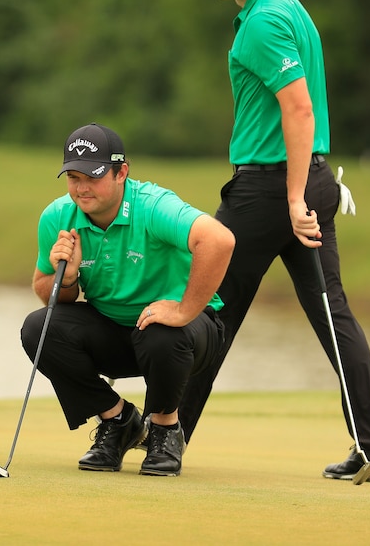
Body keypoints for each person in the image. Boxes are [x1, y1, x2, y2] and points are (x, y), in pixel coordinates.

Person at [181, 0, 370, 481]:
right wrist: (306, 192)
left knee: (207, 306)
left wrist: (294, 196)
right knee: (333, 312)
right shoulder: (291, 9)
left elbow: (298, 109)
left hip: (270, 191)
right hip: (309, 181)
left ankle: (166, 437)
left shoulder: (263, 22)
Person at [20, 122, 235, 476]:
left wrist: (183, 310)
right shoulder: (58, 216)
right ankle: (119, 421)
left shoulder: (152, 207)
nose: (82, 187)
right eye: (73, 177)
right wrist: (69, 278)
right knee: (37, 328)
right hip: (115, 331)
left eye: (93, 175)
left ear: (122, 172)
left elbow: (219, 240)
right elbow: (46, 288)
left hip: (185, 336)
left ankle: (166, 429)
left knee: (161, 331)